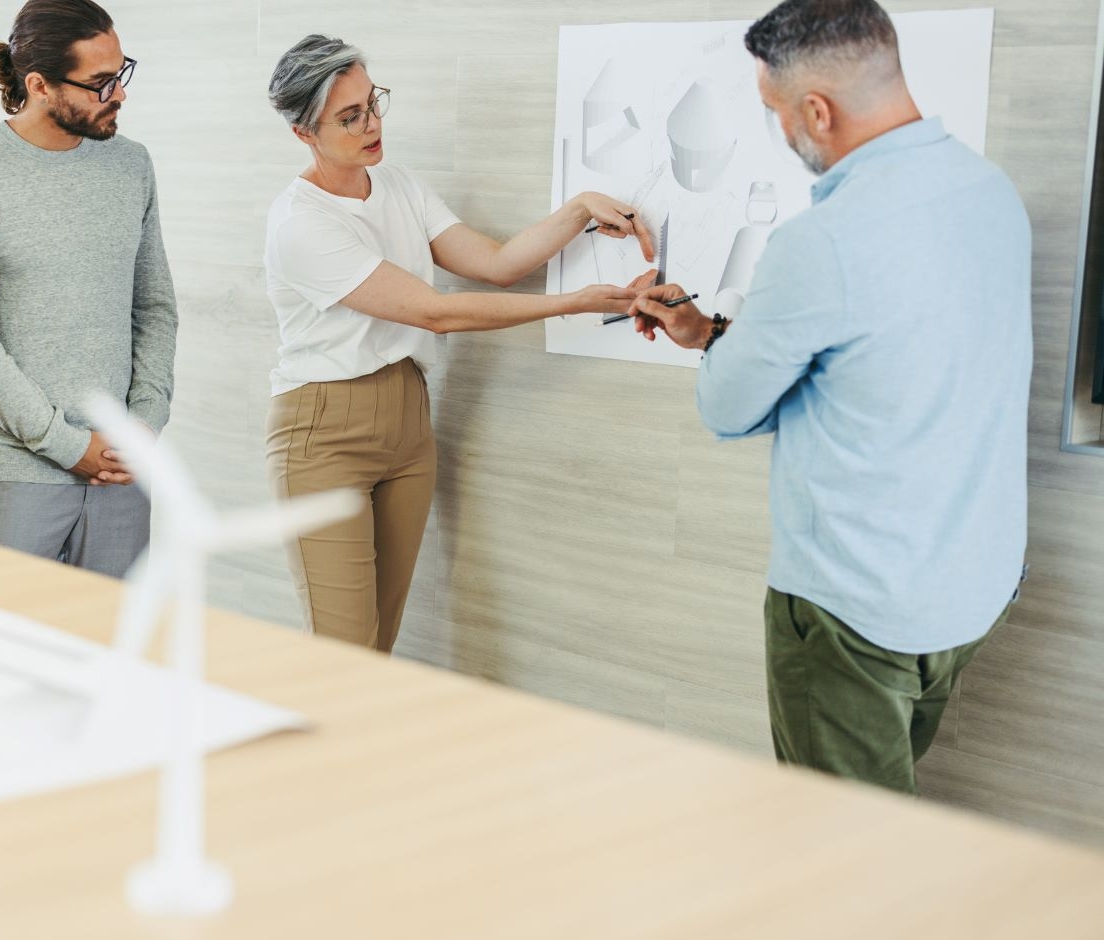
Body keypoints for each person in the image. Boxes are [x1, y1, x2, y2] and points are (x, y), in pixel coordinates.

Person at [628, 0, 1031, 794]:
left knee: (845, 847)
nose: (782, 132)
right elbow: (883, 363)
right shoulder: (990, 195)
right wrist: (714, 331)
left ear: (818, 110)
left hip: (855, 613)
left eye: (776, 113)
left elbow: (727, 408)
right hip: (969, 585)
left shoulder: (822, 242)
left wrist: (726, 342)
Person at [264, 35, 656, 653]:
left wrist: (578, 208)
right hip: (325, 434)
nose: (372, 125)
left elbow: (497, 263)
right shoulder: (302, 224)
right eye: (350, 117)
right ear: (303, 133)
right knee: (342, 657)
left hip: (409, 426)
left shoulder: (398, 185)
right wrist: (572, 303)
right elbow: (435, 313)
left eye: (373, 103)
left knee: (378, 649)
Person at [0, 0, 175, 578]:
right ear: (38, 84)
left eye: (121, 73)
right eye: (99, 83)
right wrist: (69, 447)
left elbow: (155, 307)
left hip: (123, 479)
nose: (119, 94)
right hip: (16, 481)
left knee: (116, 658)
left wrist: (145, 422)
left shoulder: (131, 165)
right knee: (3, 659)